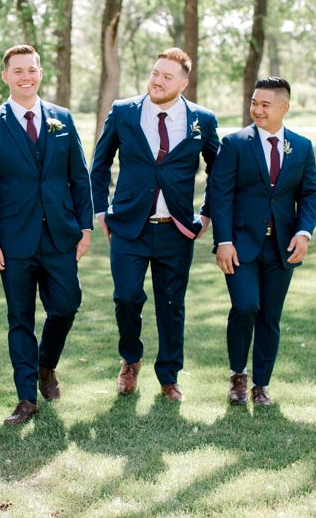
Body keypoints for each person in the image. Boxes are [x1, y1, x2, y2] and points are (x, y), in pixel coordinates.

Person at [0, 44, 93, 425]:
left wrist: (85, 226)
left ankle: (46, 365)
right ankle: (25, 398)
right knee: (20, 318)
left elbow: (78, 176)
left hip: (59, 234)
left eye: (32, 69)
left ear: (40, 73)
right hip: (14, 240)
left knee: (67, 305)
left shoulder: (62, 118)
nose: (26, 76)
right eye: (18, 70)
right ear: (6, 76)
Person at [90, 47, 220, 402]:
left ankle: (169, 375)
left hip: (176, 229)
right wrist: (101, 210)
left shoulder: (202, 120)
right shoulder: (123, 112)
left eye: (167, 76)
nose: (158, 80)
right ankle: (130, 359)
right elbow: (99, 164)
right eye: (155, 73)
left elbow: (219, 171)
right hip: (129, 227)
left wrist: (206, 213)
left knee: (171, 304)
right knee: (126, 297)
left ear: (183, 82)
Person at [208, 77, 316, 406]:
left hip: (282, 247)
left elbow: (310, 192)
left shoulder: (301, 147)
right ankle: (237, 376)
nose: (256, 109)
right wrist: (224, 240)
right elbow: (221, 193)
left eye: (264, 104)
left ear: (284, 108)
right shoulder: (235, 144)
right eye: (254, 103)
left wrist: (304, 231)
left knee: (270, 316)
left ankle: (261, 385)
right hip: (241, 245)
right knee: (245, 306)